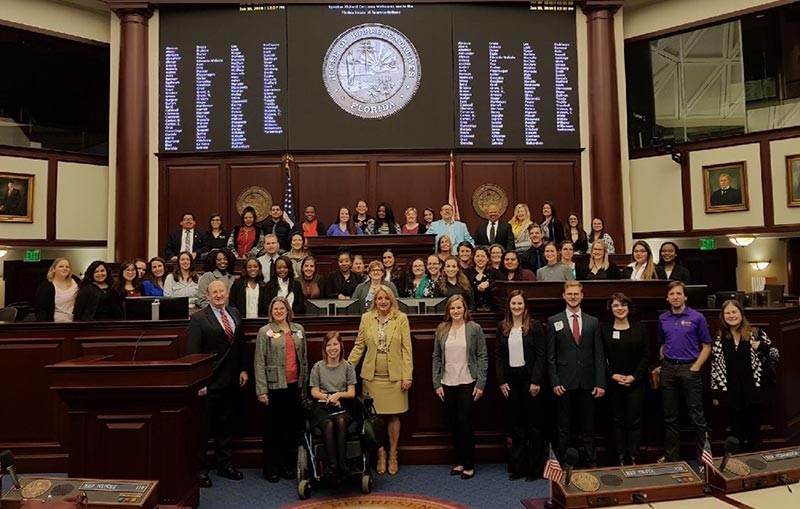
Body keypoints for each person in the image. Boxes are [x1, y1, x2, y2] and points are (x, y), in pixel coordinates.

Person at [187, 280, 248, 487]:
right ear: (208, 295)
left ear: (227, 293)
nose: (219, 295)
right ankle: (200, 470)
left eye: (222, 291)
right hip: (209, 383)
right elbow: (193, 353)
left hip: (231, 380)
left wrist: (242, 369)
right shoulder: (198, 319)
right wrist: (199, 382)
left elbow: (238, 345)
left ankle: (225, 465)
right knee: (203, 429)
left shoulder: (235, 313)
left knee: (226, 425)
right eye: (215, 292)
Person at [349, 287, 413, 476]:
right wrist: (345, 369)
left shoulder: (401, 318)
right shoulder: (366, 318)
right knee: (374, 418)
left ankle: (393, 453)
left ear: (391, 300)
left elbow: (406, 349)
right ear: (374, 301)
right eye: (379, 298)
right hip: (372, 376)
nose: (383, 301)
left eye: (386, 298)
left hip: (395, 376)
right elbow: (359, 346)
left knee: (394, 416)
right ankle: (380, 453)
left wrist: (407, 375)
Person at [547, 281, 605, 466]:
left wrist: (600, 382)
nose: (573, 296)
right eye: (569, 293)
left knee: (588, 426)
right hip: (564, 382)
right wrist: (554, 381)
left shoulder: (592, 321)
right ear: (564, 296)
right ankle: (564, 462)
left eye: (576, 294)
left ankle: (591, 460)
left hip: (588, 383)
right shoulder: (553, 321)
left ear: (582, 296)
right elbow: (551, 356)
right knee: (564, 427)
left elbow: (599, 355)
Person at [711, 300, 779, 452]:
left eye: (734, 312)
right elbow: (715, 366)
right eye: (727, 313)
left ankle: (757, 471)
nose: (731, 316)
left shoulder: (755, 333)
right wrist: (715, 393)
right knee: (736, 435)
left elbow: (775, 355)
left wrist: (762, 346)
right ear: (723, 316)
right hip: (731, 394)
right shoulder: (720, 337)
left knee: (754, 433)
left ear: (741, 314)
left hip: (754, 393)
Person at [432, 295, 488, 480]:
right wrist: (436, 382)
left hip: (468, 382)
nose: (456, 311)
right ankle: (461, 462)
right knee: (454, 424)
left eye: (459, 308)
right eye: (452, 308)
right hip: (447, 383)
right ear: (448, 311)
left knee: (465, 423)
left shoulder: (474, 328)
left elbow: (482, 356)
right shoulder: (442, 329)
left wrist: (481, 383)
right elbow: (437, 357)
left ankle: (469, 464)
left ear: (465, 309)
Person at [254, 296, 307, 482]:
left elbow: (304, 360)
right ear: (271, 311)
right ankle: (271, 468)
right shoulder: (264, 332)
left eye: (281, 308)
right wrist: (262, 390)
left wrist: (304, 386)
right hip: (274, 387)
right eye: (275, 308)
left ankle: (287, 466)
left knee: (290, 429)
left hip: (294, 385)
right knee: (273, 430)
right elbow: (259, 362)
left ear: (287, 310)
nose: (278, 311)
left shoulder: (298, 330)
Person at [658, 281, 711, 464]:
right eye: (672, 294)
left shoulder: (697, 318)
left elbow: (706, 346)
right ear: (667, 298)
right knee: (670, 417)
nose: (675, 297)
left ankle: (703, 459)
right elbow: (663, 343)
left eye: (679, 294)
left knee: (697, 416)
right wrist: (664, 361)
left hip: (690, 368)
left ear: (685, 297)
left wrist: (696, 367)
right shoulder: (663, 318)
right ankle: (672, 458)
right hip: (668, 370)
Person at [496, 290, 546, 480]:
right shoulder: (503, 326)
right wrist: (501, 381)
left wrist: (536, 381)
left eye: (520, 304)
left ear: (525, 306)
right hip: (511, 382)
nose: (516, 307)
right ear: (509, 306)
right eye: (513, 304)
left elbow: (541, 355)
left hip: (530, 382)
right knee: (516, 425)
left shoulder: (534, 326)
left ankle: (534, 469)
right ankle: (518, 467)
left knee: (533, 426)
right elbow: (499, 356)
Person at [601, 293, 649, 466]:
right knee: (617, 420)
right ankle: (620, 456)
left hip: (636, 382)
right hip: (613, 383)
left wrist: (634, 376)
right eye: (615, 305)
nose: (619, 309)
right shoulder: (604, 329)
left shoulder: (640, 328)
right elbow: (600, 356)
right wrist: (612, 375)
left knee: (634, 421)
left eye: (623, 305)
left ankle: (633, 456)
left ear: (629, 308)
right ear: (611, 308)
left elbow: (646, 355)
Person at [310, 332, 357, 480]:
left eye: (335, 344)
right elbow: (314, 391)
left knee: (341, 421)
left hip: (342, 404)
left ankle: (343, 465)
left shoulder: (348, 366)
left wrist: (338, 395)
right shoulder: (318, 367)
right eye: (329, 345)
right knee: (328, 424)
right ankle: (333, 466)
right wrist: (329, 397)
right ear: (325, 348)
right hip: (322, 405)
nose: (332, 348)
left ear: (341, 346)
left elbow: (351, 392)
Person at [34, 257, 80, 321]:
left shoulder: (76, 281)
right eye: (61, 266)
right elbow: (41, 310)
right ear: (53, 269)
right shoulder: (46, 286)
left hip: (75, 323)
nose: (64, 268)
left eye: (67, 267)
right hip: (56, 324)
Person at [465, 246, 502, 311]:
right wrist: (477, 288)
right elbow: (464, 291)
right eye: (477, 256)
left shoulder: (494, 272)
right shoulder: (467, 273)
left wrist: (489, 283)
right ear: (473, 258)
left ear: (488, 258)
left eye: (483, 256)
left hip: (493, 310)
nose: (480, 259)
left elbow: (503, 283)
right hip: (472, 310)